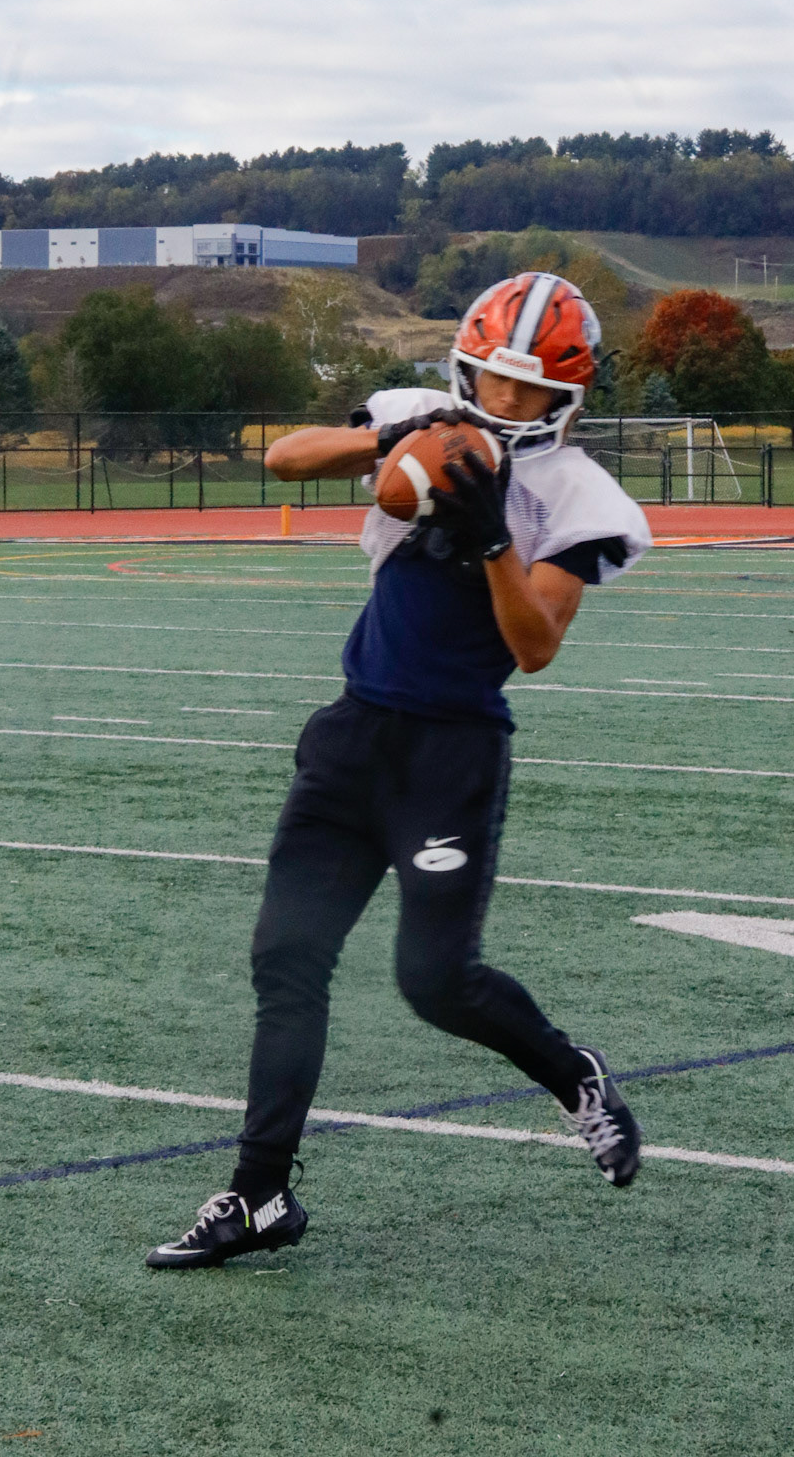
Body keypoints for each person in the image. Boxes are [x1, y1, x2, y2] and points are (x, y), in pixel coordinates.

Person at [146, 272, 653, 1269]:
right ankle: (259, 1192)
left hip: (450, 754)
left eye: (531, 388)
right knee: (286, 957)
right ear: (464, 369)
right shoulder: (418, 414)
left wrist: (493, 535)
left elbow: (535, 644)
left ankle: (572, 1074)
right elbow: (285, 458)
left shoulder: (581, 495)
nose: (508, 400)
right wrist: (393, 441)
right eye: (494, 380)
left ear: (567, 396)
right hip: (353, 734)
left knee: (435, 980)